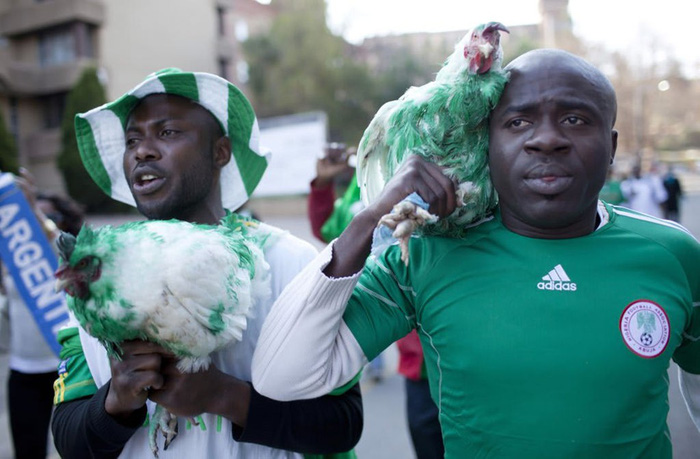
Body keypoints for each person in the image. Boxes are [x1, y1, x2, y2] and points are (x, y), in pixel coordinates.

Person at [251, 49, 700, 458]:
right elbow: (281, 378)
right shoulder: (423, 259)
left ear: (612, 148)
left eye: (576, 120)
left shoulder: (673, 253)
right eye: (518, 122)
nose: (546, 140)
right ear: (487, 146)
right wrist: (370, 218)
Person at [51, 68, 362, 458]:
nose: (141, 151)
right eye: (132, 140)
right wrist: (115, 401)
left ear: (221, 152)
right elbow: (68, 440)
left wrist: (225, 396)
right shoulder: (95, 278)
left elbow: (343, 423)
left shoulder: (292, 265)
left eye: (167, 133)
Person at [308, 144, 444, 458]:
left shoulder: (441, 174)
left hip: (464, 353)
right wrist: (323, 185)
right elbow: (329, 229)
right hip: (418, 368)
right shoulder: (362, 187)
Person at [2, 170, 85, 459]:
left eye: (51, 217)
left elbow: (64, 249)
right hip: (23, 372)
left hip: (68, 367)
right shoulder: (17, 262)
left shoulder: (73, 258)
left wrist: (32, 210)